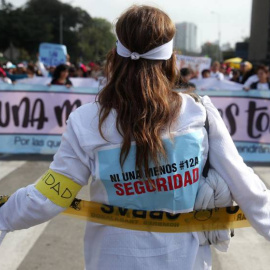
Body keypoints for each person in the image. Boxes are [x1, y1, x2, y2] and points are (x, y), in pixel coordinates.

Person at [1, 5, 270, 270]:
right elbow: (249, 191)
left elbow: (50, 196)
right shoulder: (199, 112)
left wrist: (3, 217)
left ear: (115, 55)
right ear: (171, 59)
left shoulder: (87, 121)